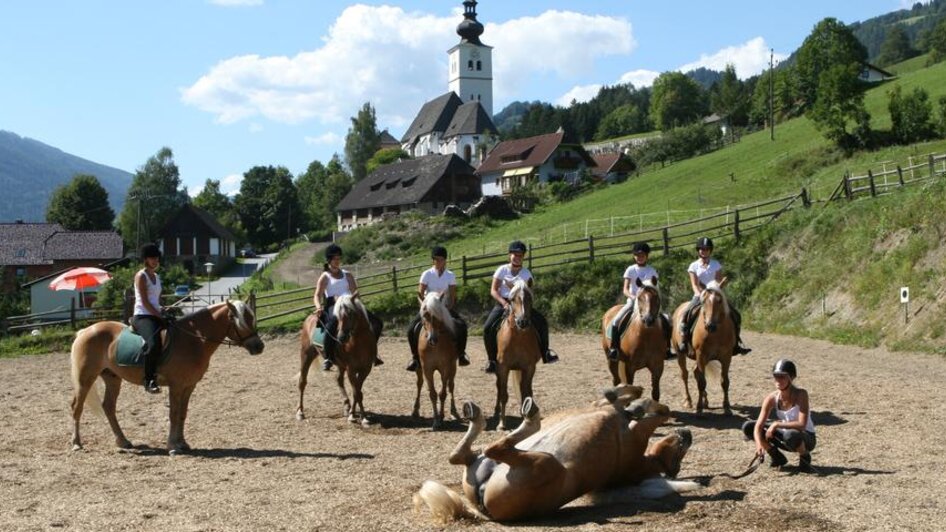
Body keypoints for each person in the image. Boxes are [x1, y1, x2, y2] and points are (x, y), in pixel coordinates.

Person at [482, 240, 558, 374]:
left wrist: (525, 306)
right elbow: (493, 290)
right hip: (503, 303)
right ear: (509, 255)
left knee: (542, 322)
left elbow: (529, 293)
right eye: (514, 254)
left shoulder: (526, 274)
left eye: (520, 255)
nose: (517, 257)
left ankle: (546, 352)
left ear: (523, 257)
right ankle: (492, 360)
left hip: (521, 304)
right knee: (488, 327)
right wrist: (504, 303)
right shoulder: (502, 270)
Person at [313, 244, 384, 371]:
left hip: (350, 304)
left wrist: (358, 303)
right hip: (334, 305)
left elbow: (355, 291)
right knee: (331, 326)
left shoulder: (347, 274)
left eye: (339, 258)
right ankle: (329, 358)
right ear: (329, 260)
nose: (338, 261)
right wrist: (318, 307)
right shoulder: (325, 277)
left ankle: (373, 352)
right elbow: (317, 295)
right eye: (335, 259)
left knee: (377, 322)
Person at [678, 236, 751, 356]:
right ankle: (684, 340)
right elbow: (694, 284)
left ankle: (736, 342)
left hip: (715, 294)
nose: (704, 251)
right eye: (701, 249)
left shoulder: (716, 264)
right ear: (698, 250)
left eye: (706, 249)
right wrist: (700, 294)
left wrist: (720, 285)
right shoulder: (693, 266)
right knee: (687, 313)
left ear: (710, 250)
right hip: (700, 294)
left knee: (735, 313)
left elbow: (717, 280)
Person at [742, 359, 816, 472]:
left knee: (791, 434)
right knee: (748, 426)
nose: (778, 379)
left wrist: (776, 424)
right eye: (776, 376)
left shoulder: (801, 394)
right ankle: (777, 457)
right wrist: (759, 445)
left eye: (782, 376)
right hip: (786, 435)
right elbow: (758, 426)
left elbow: (801, 425)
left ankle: (804, 457)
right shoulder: (771, 398)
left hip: (806, 437)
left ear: (791, 377)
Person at [406, 246, 471, 371]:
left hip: (444, 308)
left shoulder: (450, 275)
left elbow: (452, 296)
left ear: (445, 260)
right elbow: (420, 294)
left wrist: (447, 308)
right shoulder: (426, 274)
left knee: (462, 326)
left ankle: (461, 354)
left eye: (440, 259)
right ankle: (415, 358)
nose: (438, 262)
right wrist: (424, 309)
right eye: (435, 259)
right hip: (428, 308)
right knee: (411, 329)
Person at [606, 242, 671, 361]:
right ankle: (614, 348)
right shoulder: (630, 270)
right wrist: (633, 297)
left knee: (667, 320)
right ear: (634, 256)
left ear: (647, 256)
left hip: (649, 302)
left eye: (642, 255)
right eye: (637, 255)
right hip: (632, 301)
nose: (640, 257)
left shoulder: (652, 271)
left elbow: (655, 289)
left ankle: (667, 349)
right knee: (616, 321)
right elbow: (625, 289)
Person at [131, 243, 165, 394]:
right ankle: (149, 379)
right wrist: (159, 314)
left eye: (156, 257)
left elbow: (157, 300)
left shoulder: (157, 277)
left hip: (156, 314)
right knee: (153, 344)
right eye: (152, 258)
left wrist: (163, 309)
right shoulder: (141, 276)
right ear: (145, 259)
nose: (155, 260)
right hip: (143, 315)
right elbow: (145, 302)